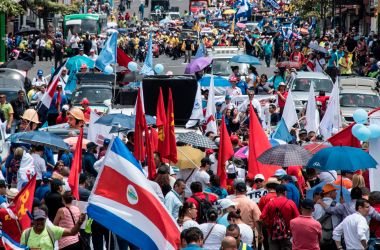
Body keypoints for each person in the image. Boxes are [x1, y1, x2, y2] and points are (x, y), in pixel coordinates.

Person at [20, 207, 85, 249]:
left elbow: (72, 232)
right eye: (37, 220)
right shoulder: (26, 234)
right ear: (33, 220)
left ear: (45, 220)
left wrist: (79, 223)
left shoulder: (52, 230)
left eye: (41, 219)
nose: (39, 222)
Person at [260, 184, 300, 250]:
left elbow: (262, 217)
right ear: (285, 192)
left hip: (273, 234)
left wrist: (268, 225)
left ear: (277, 192)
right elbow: (298, 218)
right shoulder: (290, 203)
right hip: (287, 234)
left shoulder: (270, 203)